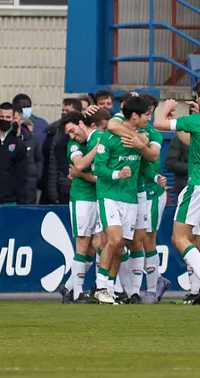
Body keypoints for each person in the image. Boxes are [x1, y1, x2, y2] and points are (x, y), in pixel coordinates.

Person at [152, 78, 200, 305]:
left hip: (199, 184)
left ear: (199, 98)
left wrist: (166, 109)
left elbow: (158, 124)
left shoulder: (198, 121)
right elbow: (193, 140)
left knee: (179, 237)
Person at [91, 96, 150, 305]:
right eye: (147, 115)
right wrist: (117, 174)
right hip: (109, 195)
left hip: (130, 198)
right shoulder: (109, 137)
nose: (148, 119)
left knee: (120, 246)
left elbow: (151, 153)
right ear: (135, 116)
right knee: (113, 240)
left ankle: (109, 288)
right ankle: (100, 287)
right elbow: (97, 168)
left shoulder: (141, 137)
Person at [60, 109, 108, 303]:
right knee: (82, 243)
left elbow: (97, 176)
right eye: (69, 134)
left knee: (94, 245)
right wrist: (97, 148)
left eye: (72, 130)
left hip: (96, 196)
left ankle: (70, 287)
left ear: (81, 123)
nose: (72, 136)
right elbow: (78, 165)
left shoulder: (94, 137)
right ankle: (77, 293)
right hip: (81, 197)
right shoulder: (74, 145)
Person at [13, 105, 41, 205]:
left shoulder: (31, 140)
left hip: (28, 189)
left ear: (21, 119)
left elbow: (39, 159)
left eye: (14, 118)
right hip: (7, 191)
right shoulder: (0, 140)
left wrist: (36, 177)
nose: (11, 121)